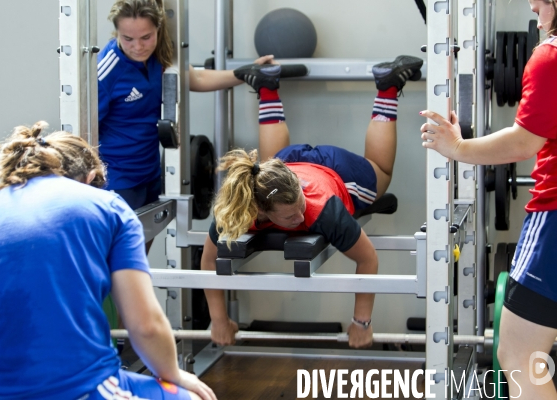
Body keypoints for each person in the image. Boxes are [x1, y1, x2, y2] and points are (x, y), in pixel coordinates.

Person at [0, 122, 216, 400]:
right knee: (195, 396)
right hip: (80, 390)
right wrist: (174, 374)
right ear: (91, 177)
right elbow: (145, 326)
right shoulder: (109, 207)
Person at [201, 55, 424, 349]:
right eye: (291, 216)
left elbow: (367, 258)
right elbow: (207, 260)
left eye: (301, 205)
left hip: (338, 171)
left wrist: (361, 322)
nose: (301, 213)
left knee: (381, 173)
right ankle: (266, 86)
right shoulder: (241, 208)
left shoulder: (323, 209)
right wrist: (218, 319)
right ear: (261, 211)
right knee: (267, 167)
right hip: (288, 163)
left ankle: (388, 87)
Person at [420, 1, 557, 397]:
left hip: (554, 219)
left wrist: (457, 147)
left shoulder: (549, 57)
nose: (532, 4)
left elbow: (524, 142)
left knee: (518, 355)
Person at [98, 0, 275, 211]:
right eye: (127, 38)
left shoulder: (160, 54)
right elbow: (84, 133)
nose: (138, 47)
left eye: (146, 37)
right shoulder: (106, 70)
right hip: (116, 178)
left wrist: (246, 72)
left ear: (158, 28)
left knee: (144, 241)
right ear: (117, 31)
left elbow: (196, 78)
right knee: (121, 244)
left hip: (151, 171)